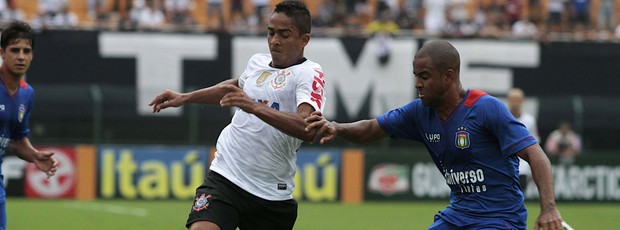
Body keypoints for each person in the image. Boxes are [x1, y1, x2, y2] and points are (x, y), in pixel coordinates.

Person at [305, 40, 563, 230]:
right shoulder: (419, 112)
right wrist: (337, 127)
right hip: (456, 217)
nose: (418, 83)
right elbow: (371, 129)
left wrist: (549, 209)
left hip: (499, 220)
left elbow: (536, 155)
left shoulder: (486, 108)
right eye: (416, 76)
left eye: (425, 76)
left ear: (448, 76)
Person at [149, 2, 325, 230]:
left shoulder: (309, 73)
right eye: (270, 33)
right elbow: (232, 88)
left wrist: (254, 106)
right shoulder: (258, 63)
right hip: (226, 177)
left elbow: (307, 128)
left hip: (271, 193)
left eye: (284, 34)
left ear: (304, 40)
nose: (274, 41)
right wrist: (184, 97)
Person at [0, 20, 58, 229]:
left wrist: (34, 155)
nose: (21, 56)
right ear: (2, 53)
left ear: (32, 55)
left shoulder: (27, 94)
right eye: (14, 50)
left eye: (26, 50)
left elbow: (16, 139)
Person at [507, 87, 540, 190]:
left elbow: (534, 141)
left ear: (522, 101)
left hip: (522, 164)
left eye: (518, 100)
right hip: (505, 162)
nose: (515, 103)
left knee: (520, 190)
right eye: (513, 99)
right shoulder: (502, 117)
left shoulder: (529, 120)